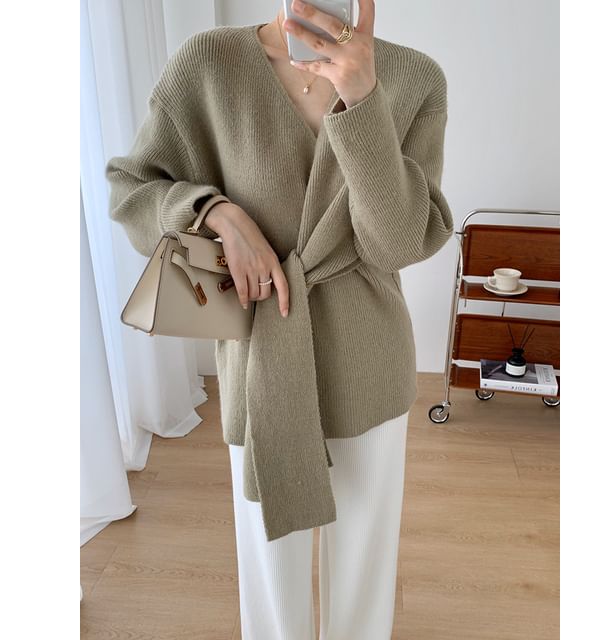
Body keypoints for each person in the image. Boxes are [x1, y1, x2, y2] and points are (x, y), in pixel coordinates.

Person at [105, 1, 454, 637]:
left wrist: (363, 98)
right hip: (261, 354)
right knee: (271, 574)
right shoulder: (208, 63)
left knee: (363, 572)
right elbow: (133, 188)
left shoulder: (414, 78)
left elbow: (397, 243)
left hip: (366, 355)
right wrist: (213, 212)